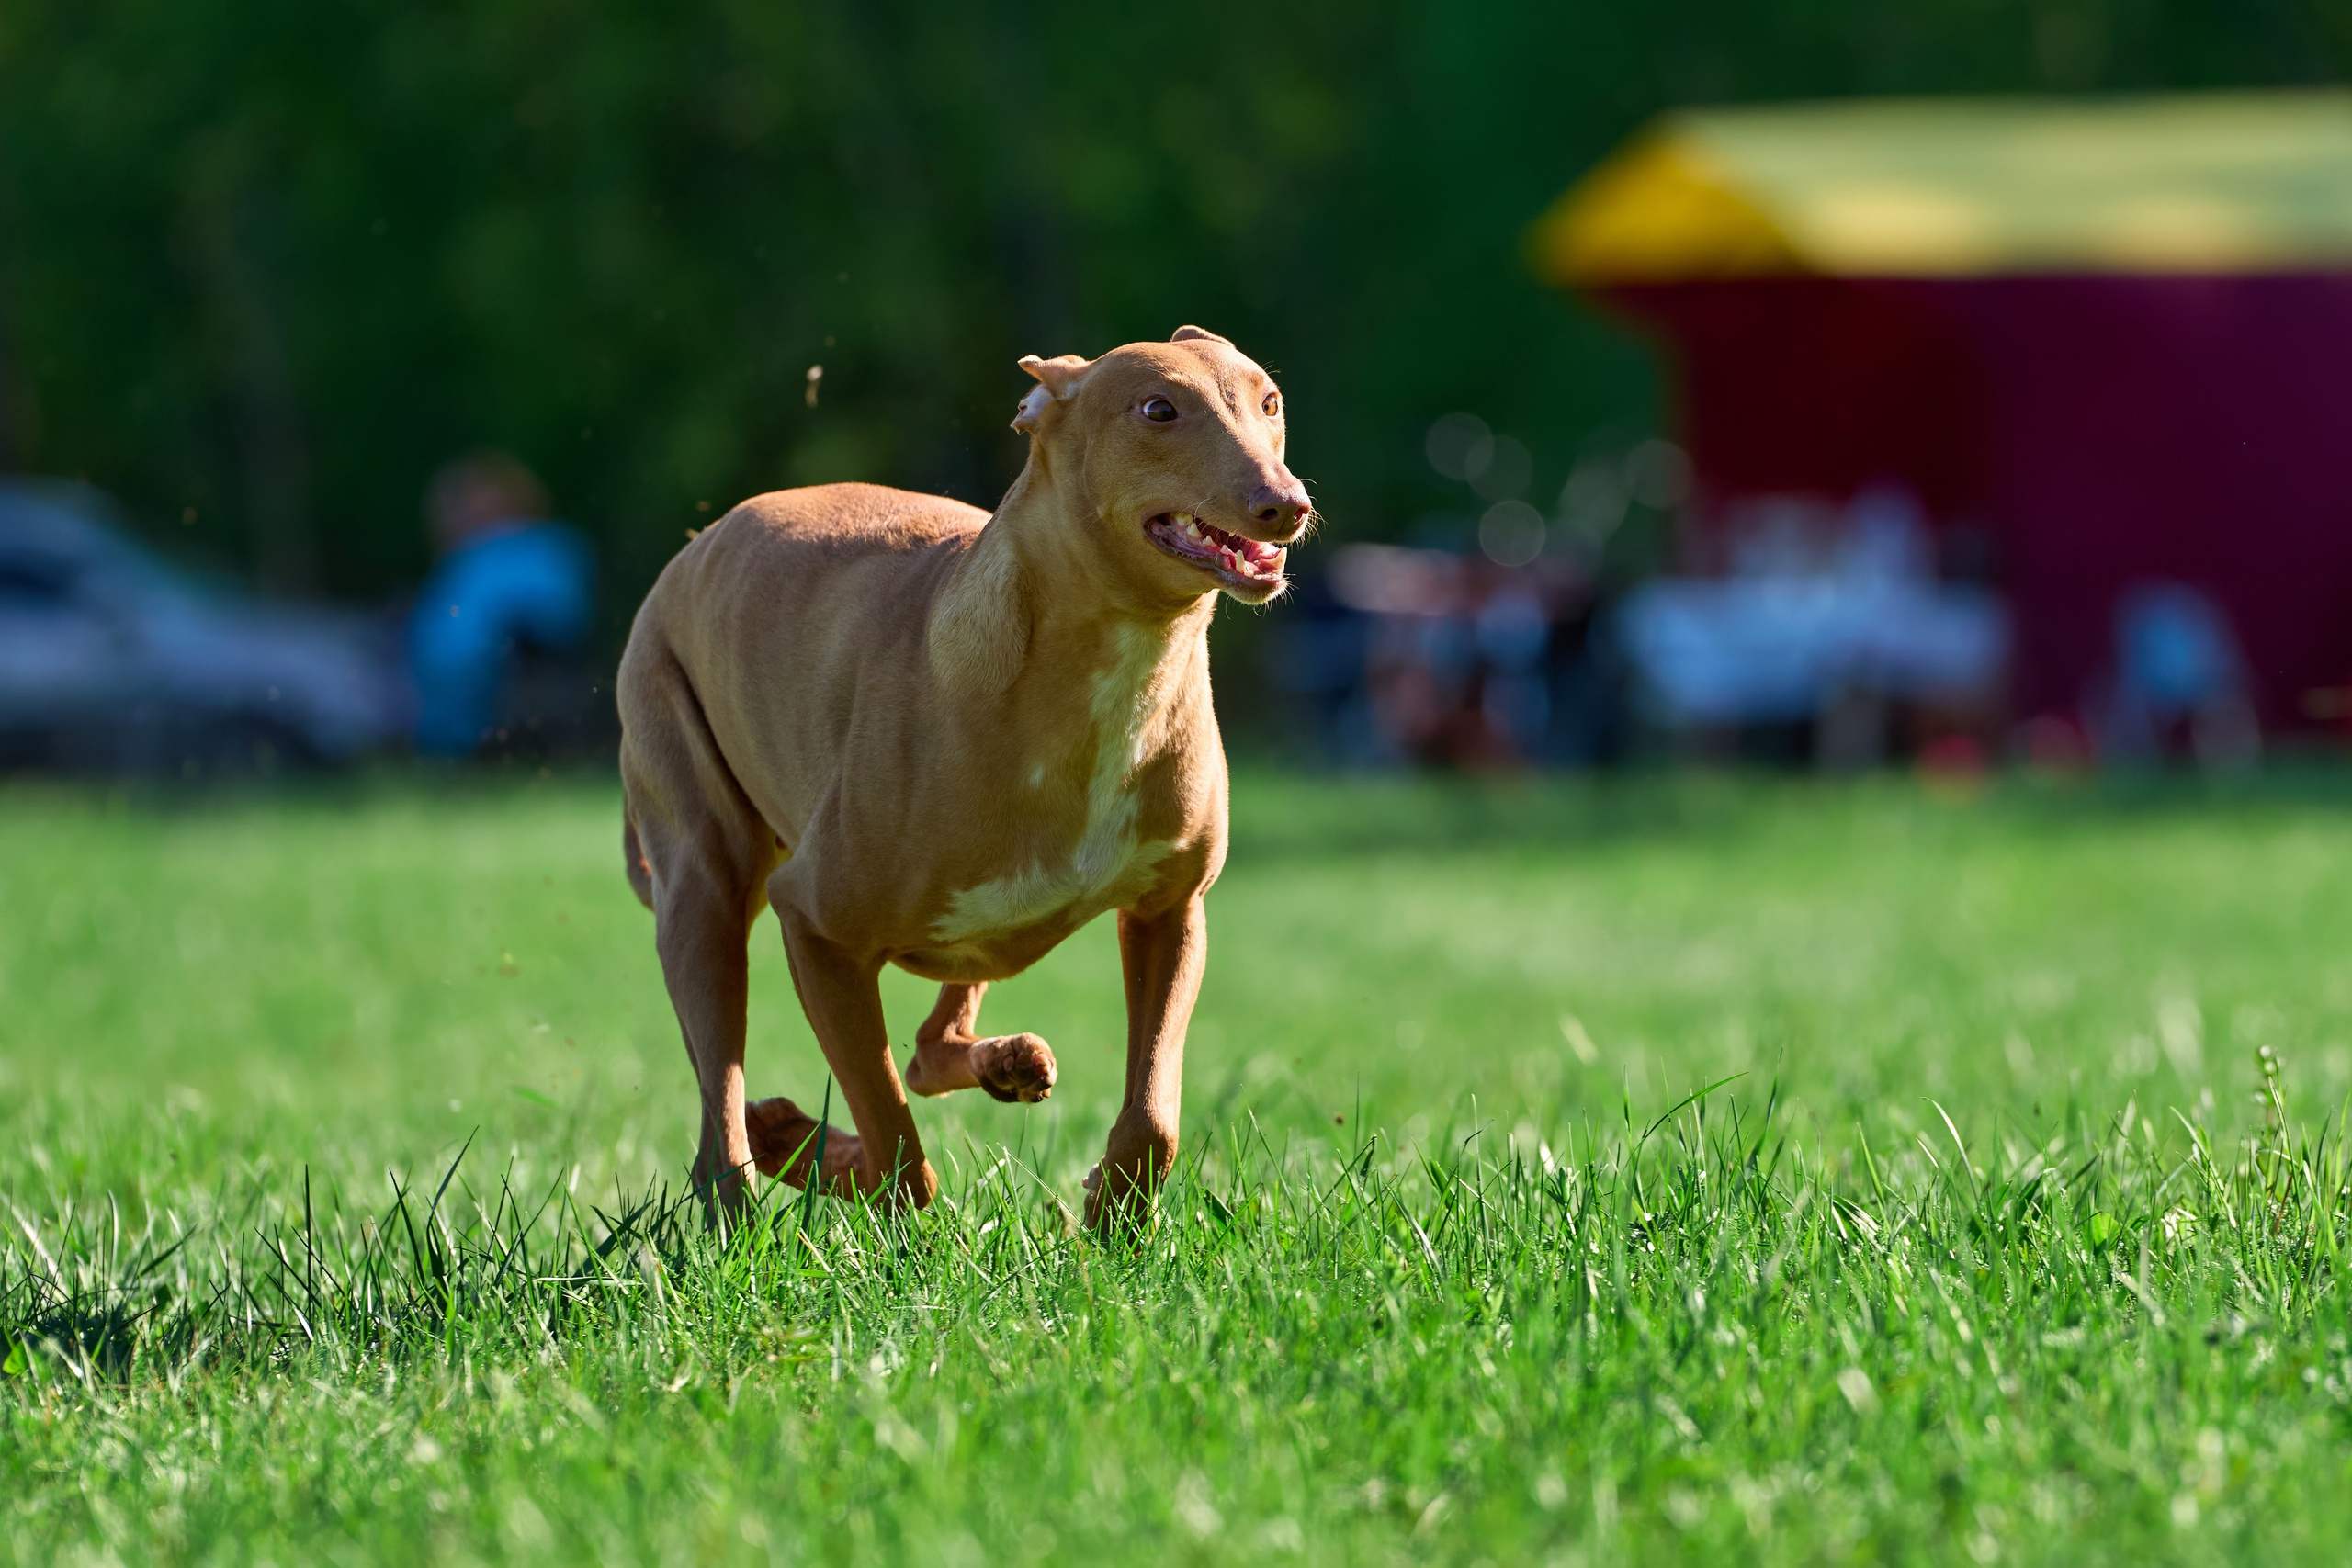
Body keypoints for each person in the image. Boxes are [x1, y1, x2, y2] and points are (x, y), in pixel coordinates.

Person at [408, 452, 594, 758]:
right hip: (524, 683)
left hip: (475, 706)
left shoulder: (484, 563)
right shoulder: (556, 550)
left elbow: (451, 651)